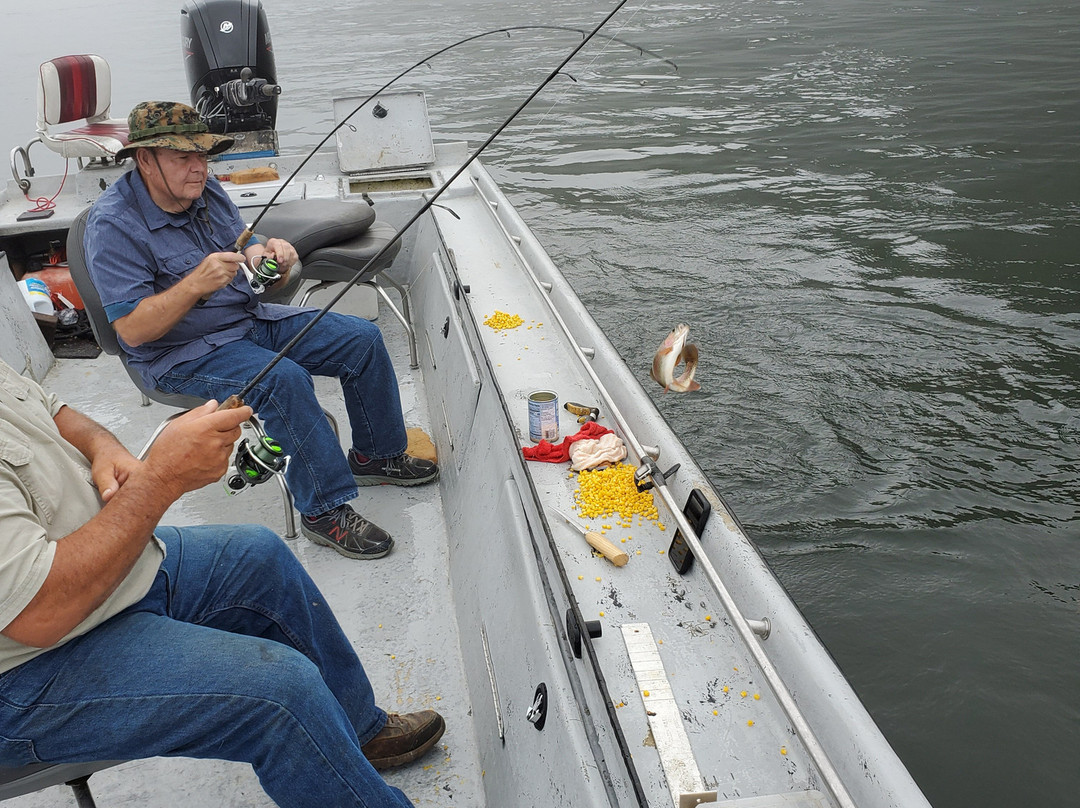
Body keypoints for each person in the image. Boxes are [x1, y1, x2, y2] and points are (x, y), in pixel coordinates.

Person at [0, 358, 444, 807]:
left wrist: (104, 449)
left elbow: (53, 409)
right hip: (29, 668)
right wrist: (160, 480)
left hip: (107, 573)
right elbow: (39, 615)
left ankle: (353, 734)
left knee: (257, 555)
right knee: (281, 695)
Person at [83, 101, 437, 561]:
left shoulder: (203, 189)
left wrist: (264, 251)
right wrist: (193, 285)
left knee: (361, 339)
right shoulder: (113, 225)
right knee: (282, 379)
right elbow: (131, 331)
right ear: (145, 160)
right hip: (179, 356)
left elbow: (242, 239)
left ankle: (377, 456)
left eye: (203, 156)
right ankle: (324, 512)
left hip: (247, 321)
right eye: (183, 158)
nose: (198, 168)